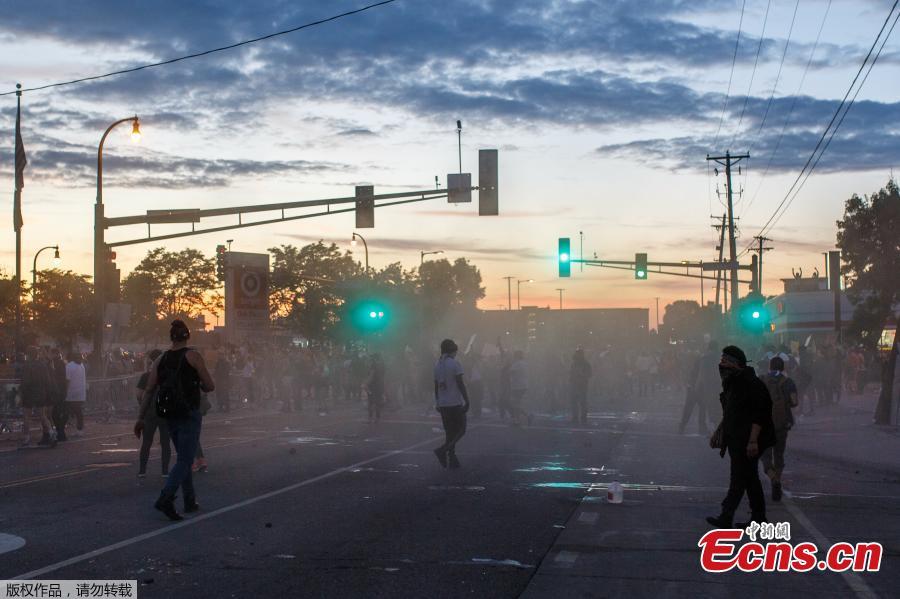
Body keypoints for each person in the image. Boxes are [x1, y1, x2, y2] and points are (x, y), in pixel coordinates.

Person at [135, 320, 214, 521]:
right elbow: (210, 385)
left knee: (182, 457)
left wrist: (140, 418)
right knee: (186, 459)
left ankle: (189, 500)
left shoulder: (159, 360)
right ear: (187, 336)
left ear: (171, 337)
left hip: (169, 414)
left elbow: (149, 390)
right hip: (189, 413)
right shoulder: (193, 356)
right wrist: (199, 386)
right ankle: (166, 497)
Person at [707, 345, 775, 528]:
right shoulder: (733, 383)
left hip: (749, 440)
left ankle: (726, 516)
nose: (721, 365)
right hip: (736, 438)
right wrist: (719, 431)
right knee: (750, 478)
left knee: (738, 478)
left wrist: (753, 440)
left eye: (724, 362)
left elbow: (760, 414)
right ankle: (759, 518)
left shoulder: (750, 383)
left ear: (735, 364)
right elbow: (731, 412)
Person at [759, 356, 799, 502]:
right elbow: (794, 403)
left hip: (764, 425)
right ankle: (778, 479)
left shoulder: (762, 380)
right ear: (783, 367)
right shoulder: (788, 382)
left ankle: (773, 478)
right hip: (783, 424)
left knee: (765, 457)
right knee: (779, 454)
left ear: (769, 366)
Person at [433, 339, 470, 469]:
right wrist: (467, 400)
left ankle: (452, 457)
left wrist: (437, 401)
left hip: (443, 403)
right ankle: (443, 450)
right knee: (461, 429)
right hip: (454, 402)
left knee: (450, 432)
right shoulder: (455, 363)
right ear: (453, 350)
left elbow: (436, 385)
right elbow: (460, 383)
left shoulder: (437, 364)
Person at [135, 349, 171, 478]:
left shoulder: (146, 376)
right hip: (165, 413)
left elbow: (139, 395)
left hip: (149, 414)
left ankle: (142, 470)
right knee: (165, 442)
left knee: (147, 442)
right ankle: (165, 471)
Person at [679, 340, 719, 435]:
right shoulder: (708, 358)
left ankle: (684, 426)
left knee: (697, 408)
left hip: (696, 386)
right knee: (699, 408)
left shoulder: (704, 357)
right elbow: (702, 374)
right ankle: (694, 427)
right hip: (698, 386)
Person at [20, 347, 56, 447]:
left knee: (26, 416)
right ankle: (52, 433)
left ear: (28, 355)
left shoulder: (27, 366)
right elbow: (47, 380)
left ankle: (26, 438)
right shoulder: (43, 365)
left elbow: (25, 381)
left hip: (29, 393)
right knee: (43, 416)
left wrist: (21, 392)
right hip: (41, 393)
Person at [63, 351, 87, 438]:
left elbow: (67, 380)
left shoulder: (69, 366)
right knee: (78, 412)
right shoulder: (81, 365)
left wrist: (65, 391)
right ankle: (79, 429)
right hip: (80, 393)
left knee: (67, 412)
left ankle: (61, 430)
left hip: (71, 393)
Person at [508, 350, 532, 426]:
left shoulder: (517, 363)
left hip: (517, 386)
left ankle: (523, 417)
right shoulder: (525, 363)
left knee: (515, 403)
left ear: (517, 356)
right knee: (516, 403)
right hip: (523, 385)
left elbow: (511, 372)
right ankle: (519, 419)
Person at [569, 348, 592, 425]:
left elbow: (589, 374)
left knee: (581, 402)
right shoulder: (574, 363)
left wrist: (582, 375)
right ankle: (576, 417)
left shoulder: (585, 363)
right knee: (575, 402)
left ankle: (582, 417)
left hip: (582, 384)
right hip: (576, 384)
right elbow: (571, 373)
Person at [366, 353, 386, 422]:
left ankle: (370, 417)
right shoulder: (381, 365)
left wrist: (365, 383)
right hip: (379, 385)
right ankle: (377, 417)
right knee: (377, 401)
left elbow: (371, 376)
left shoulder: (373, 366)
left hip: (373, 386)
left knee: (370, 402)